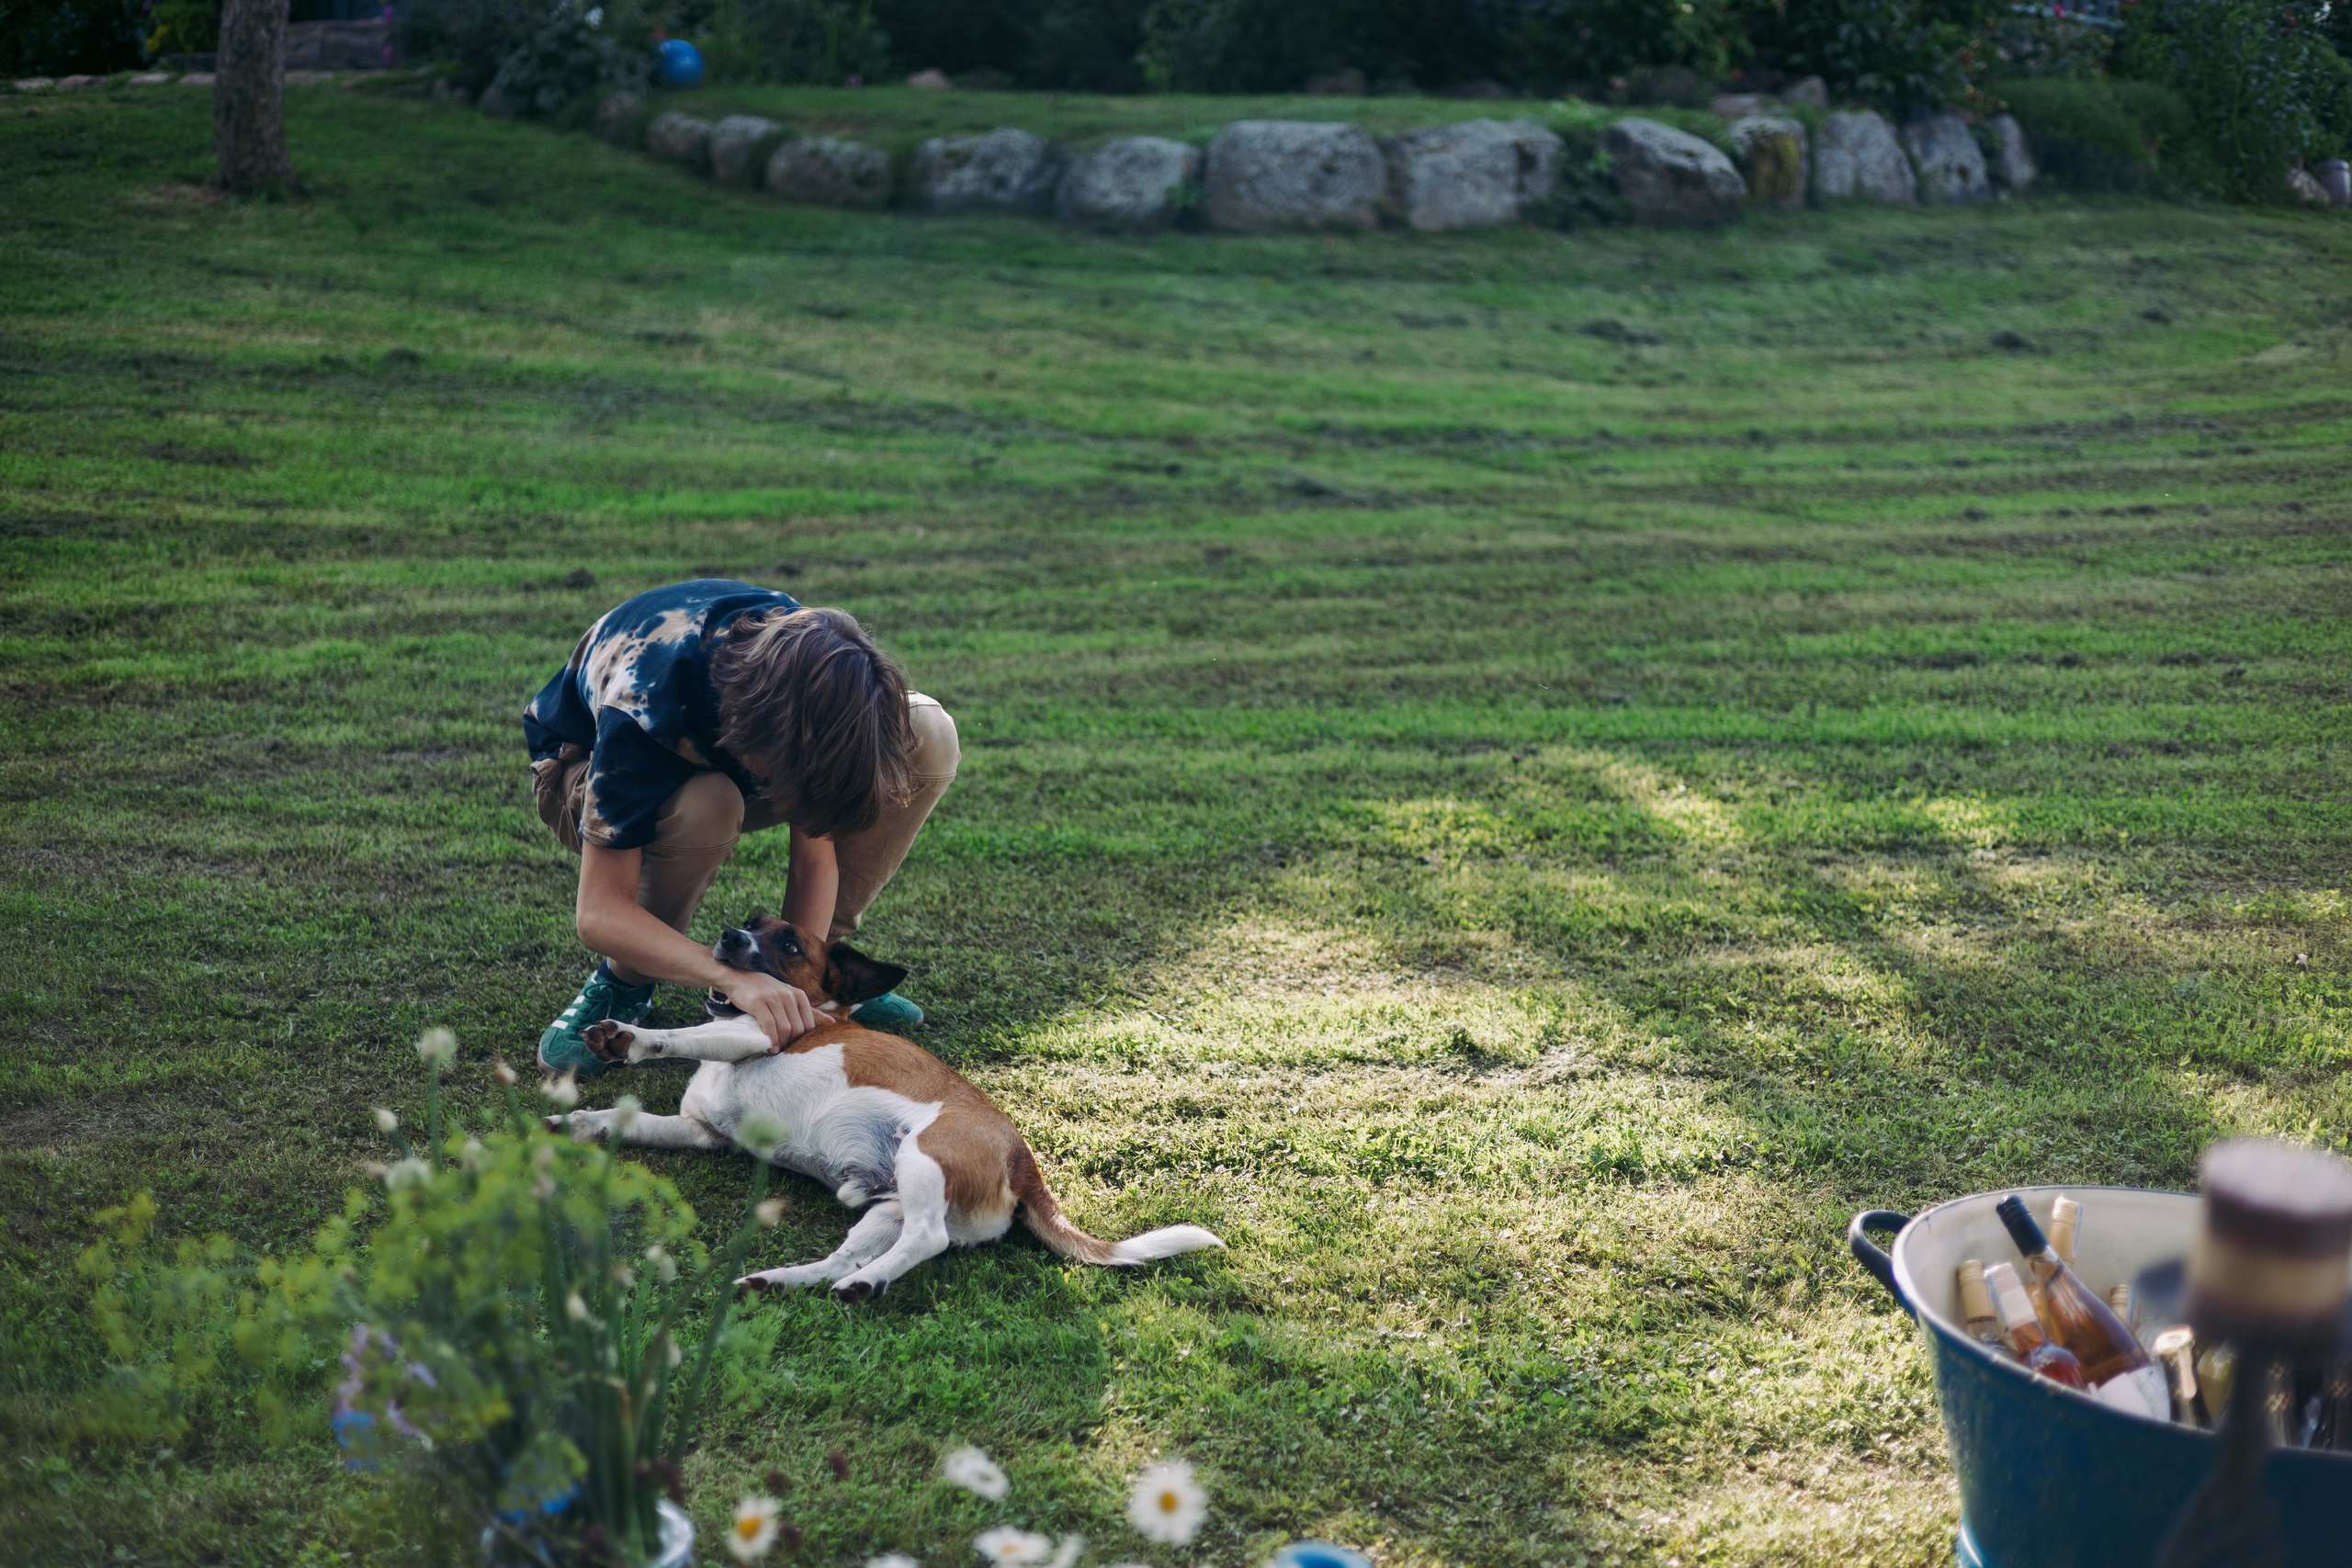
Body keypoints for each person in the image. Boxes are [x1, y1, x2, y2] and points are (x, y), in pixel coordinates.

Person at [524, 580, 957, 1076]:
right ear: (757, 739)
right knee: (708, 804)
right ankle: (627, 982)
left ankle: (824, 977)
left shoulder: (810, 676)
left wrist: (795, 990)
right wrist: (730, 979)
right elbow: (599, 913)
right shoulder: (645, 707)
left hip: (732, 751)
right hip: (582, 769)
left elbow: (814, 857)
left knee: (925, 732)